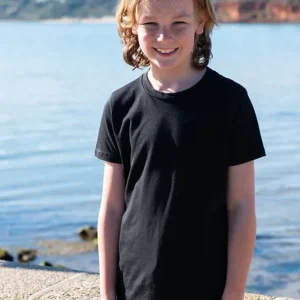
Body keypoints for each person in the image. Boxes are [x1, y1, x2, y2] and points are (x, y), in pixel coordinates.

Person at [94, 0, 266, 299]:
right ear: (133, 24)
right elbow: (111, 209)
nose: (164, 37)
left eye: (179, 24)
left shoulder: (230, 101)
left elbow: (242, 207)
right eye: (151, 24)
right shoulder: (120, 106)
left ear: (200, 22)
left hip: (206, 285)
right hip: (135, 286)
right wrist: (107, 292)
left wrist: (234, 291)